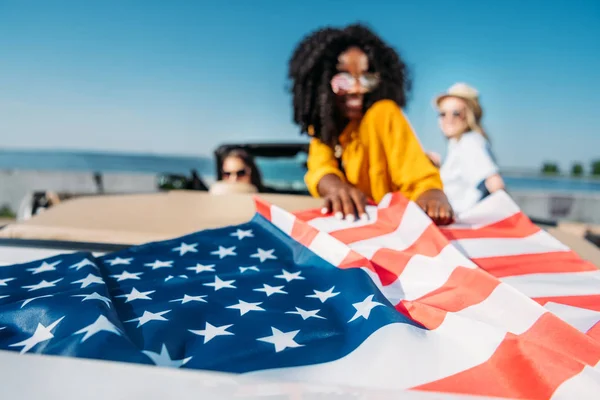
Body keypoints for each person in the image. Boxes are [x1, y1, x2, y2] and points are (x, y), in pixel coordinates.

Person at [288, 23, 453, 225]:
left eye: (366, 78)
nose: (358, 89)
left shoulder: (383, 113)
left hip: (394, 225)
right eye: (344, 78)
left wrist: (431, 193)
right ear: (320, 84)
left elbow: (418, 175)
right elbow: (320, 168)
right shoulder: (324, 129)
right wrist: (336, 188)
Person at [432, 83, 505, 214]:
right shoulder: (458, 145)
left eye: (456, 113)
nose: (448, 119)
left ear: (469, 115)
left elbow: (495, 184)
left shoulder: (469, 142)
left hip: (465, 225)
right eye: (443, 114)